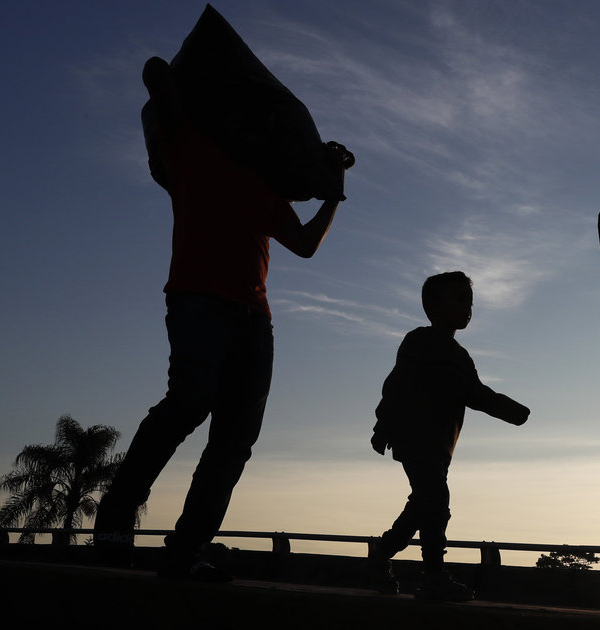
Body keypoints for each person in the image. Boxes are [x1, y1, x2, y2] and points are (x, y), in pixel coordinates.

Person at [92, 56, 354, 582]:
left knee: (235, 439)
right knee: (188, 401)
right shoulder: (191, 148)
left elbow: (303, 245)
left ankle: (186, 550)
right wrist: (195, 85)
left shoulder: (264, 186)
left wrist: (335, 191)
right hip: (197, 301)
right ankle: (116, 520)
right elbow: (153, 70)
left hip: (254, 317)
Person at [367, 271, 530, 601]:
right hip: (414, 438)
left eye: (469, 301)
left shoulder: (460, 358)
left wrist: (511, 411)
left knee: (423, 505)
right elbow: (397, 384)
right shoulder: (419, 342)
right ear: (432, 306)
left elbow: (476, 393)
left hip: (441, 446)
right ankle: (433, 576)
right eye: (458, 299)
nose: (467, 307)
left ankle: (381, 554)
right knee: (436, 502)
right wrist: (383, 426)